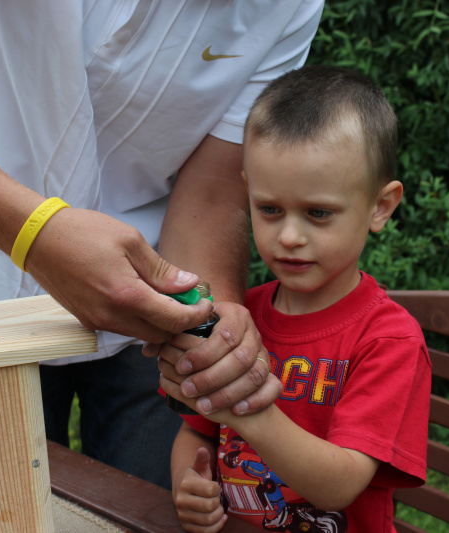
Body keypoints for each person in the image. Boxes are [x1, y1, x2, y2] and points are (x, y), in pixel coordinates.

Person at [0, 0, 324, 488]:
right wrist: (34, 233)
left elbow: (211, 191)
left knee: (139, 511)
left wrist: (211, 321)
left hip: (149, 313)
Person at [160, 65, 432, 531]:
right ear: (247, 192)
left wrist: (248, 410)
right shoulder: (239, 317)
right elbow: (196, 431)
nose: (288, 236)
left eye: (318, 213)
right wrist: (190, 482)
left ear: (380, 206)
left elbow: (341, 484)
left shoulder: (389, 340)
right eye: (269, 209)